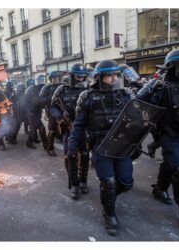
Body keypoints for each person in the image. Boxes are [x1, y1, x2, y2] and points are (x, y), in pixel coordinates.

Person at [137, 48, 179, 235]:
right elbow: (139, 103)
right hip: (170, 135)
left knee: (172, 163)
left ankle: (159, 188)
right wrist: (152, 88)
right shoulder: (161, 85)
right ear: (173, 66)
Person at [68, 60, 133, 236]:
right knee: (109, 182)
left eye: (115, 75)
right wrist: (72, 146)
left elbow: (136, 119)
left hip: (121, 145)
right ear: (100, 77)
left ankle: (107, 197)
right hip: (100, 145)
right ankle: (109, 213)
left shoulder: (126, 94)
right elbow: (78, 125)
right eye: (109, 75)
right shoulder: (88, 97)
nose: (113, 78)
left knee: (126, 183)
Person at [51, 63, 89, 199]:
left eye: (83, 77)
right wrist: (60, 117)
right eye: (78, 77)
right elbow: (53, 107)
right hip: (68, 128)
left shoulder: (90, 89)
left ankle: (83, 181)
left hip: (85, 129)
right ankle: (74, 184)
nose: (81, 79)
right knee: (69, 156)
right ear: (72, 76)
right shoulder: (62, 90)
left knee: (85, 155)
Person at [39, 71, 65, 156]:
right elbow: (41, 100)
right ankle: (49, 148)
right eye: (55, 78)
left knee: (64, 128)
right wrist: (50, 98)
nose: (57, 80)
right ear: (51, 79)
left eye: (58, 78)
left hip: (62, 111)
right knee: (52, 130)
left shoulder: (63, 87)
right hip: (52, 111)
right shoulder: (47, 88)